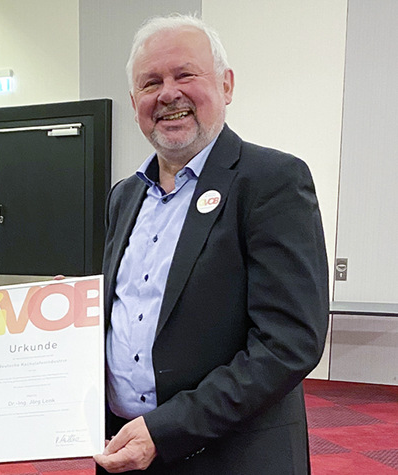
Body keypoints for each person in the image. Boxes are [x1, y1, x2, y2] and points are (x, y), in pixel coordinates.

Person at [94, 14, 328, 474]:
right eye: (150, 82)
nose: (168, 93)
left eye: (185, 74)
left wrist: (166, 429)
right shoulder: (124, 195)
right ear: (133, 100)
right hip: (125, 451)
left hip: (228, 457)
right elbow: (126, 311)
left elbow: (288, 343)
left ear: (226, 85)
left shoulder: (272, 181)